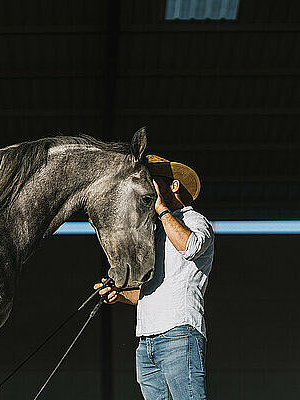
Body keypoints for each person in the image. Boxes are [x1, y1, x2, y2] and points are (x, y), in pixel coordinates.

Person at [95, 154, 214, 400]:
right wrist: (118, 295)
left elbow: (190, 246)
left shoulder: (195, 221)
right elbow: (150, 291)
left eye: (154, 181)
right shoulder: (156, 230)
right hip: (146, 340)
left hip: (179, 333)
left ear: (173, 185)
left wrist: (160, 208)